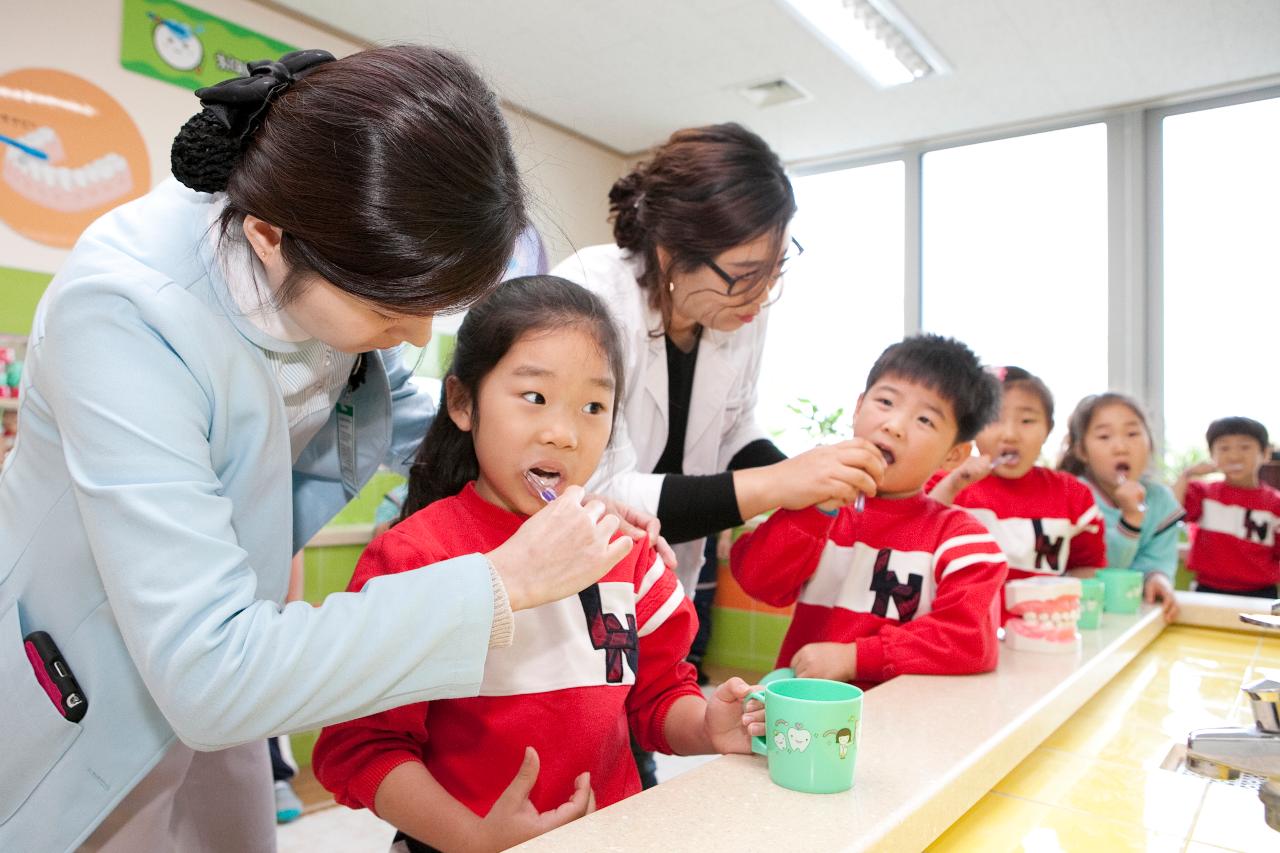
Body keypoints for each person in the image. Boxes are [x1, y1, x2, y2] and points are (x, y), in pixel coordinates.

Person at [0, 46, 653, 852]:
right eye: (394, 312)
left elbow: (426, 417)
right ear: (273, 237)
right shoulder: (123, 314)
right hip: (87, 688)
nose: (416, 338)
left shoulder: (325, 259)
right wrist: (500, 581)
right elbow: (210, 675)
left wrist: (598, 494)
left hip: (230, 683)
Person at [312, 277, 760, 853]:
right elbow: (361, 747)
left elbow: (654, 698)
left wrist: (705, 726)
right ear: (463, 403)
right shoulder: (413, 558)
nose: (563, 433)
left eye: (594, 406)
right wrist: (469, 837)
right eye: (534, 397)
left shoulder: (625, 552)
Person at [552, 123, 878, 785]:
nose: (759, 300)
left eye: (774, 274)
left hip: (660, 577)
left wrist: (804, 476)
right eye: (745, 277)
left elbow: (734, 434)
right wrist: (780, 482)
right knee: (583, 752)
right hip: (571, 584)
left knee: (639, 744)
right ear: (672, 247)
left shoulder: (731, 313)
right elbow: (597, 487)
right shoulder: (588, 296)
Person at [731, 335, 1008, 688]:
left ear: (954, 455)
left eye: (924, 420)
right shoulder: (816, 508)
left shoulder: (960, 538)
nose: (894, 425)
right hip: (805, 723)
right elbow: (758, 582)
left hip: (906, 725)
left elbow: (971, 640)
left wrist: (856, 658)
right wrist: (813, 510)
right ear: (858, 407)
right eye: (886, 401)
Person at [928, 367, 1106, 618]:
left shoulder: (1074, 496)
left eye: (1027, 421)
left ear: (1048, 428)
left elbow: (1087, 568)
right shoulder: (947, 484)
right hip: (962, 632)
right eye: (994, 419)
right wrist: (952, 486)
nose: (1010, 434)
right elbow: (915, 540)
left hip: (1043, 636)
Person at [1058, 393, 1182, 620]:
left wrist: (1157, 579)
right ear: (1082, 451)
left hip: (1134, 619)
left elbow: (1157, 560)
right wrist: (1131, 519)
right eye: (1104, 436)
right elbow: (1103, 569)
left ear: (1150, 442)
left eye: (1133, 434)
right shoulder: (1070, 496)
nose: (1121, 447)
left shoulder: (1161, 501)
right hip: (1078, 618)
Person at [1175, 416, 1280, 598]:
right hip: (1207, 589)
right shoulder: (1203, 493)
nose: (1234, 455)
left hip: (1262, 592)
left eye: (1245, 447)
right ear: (1212, 455)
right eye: (1224, 448)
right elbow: (1171, 513)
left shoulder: (1275, 504)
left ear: (1265, 453)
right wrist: (1186, 475)